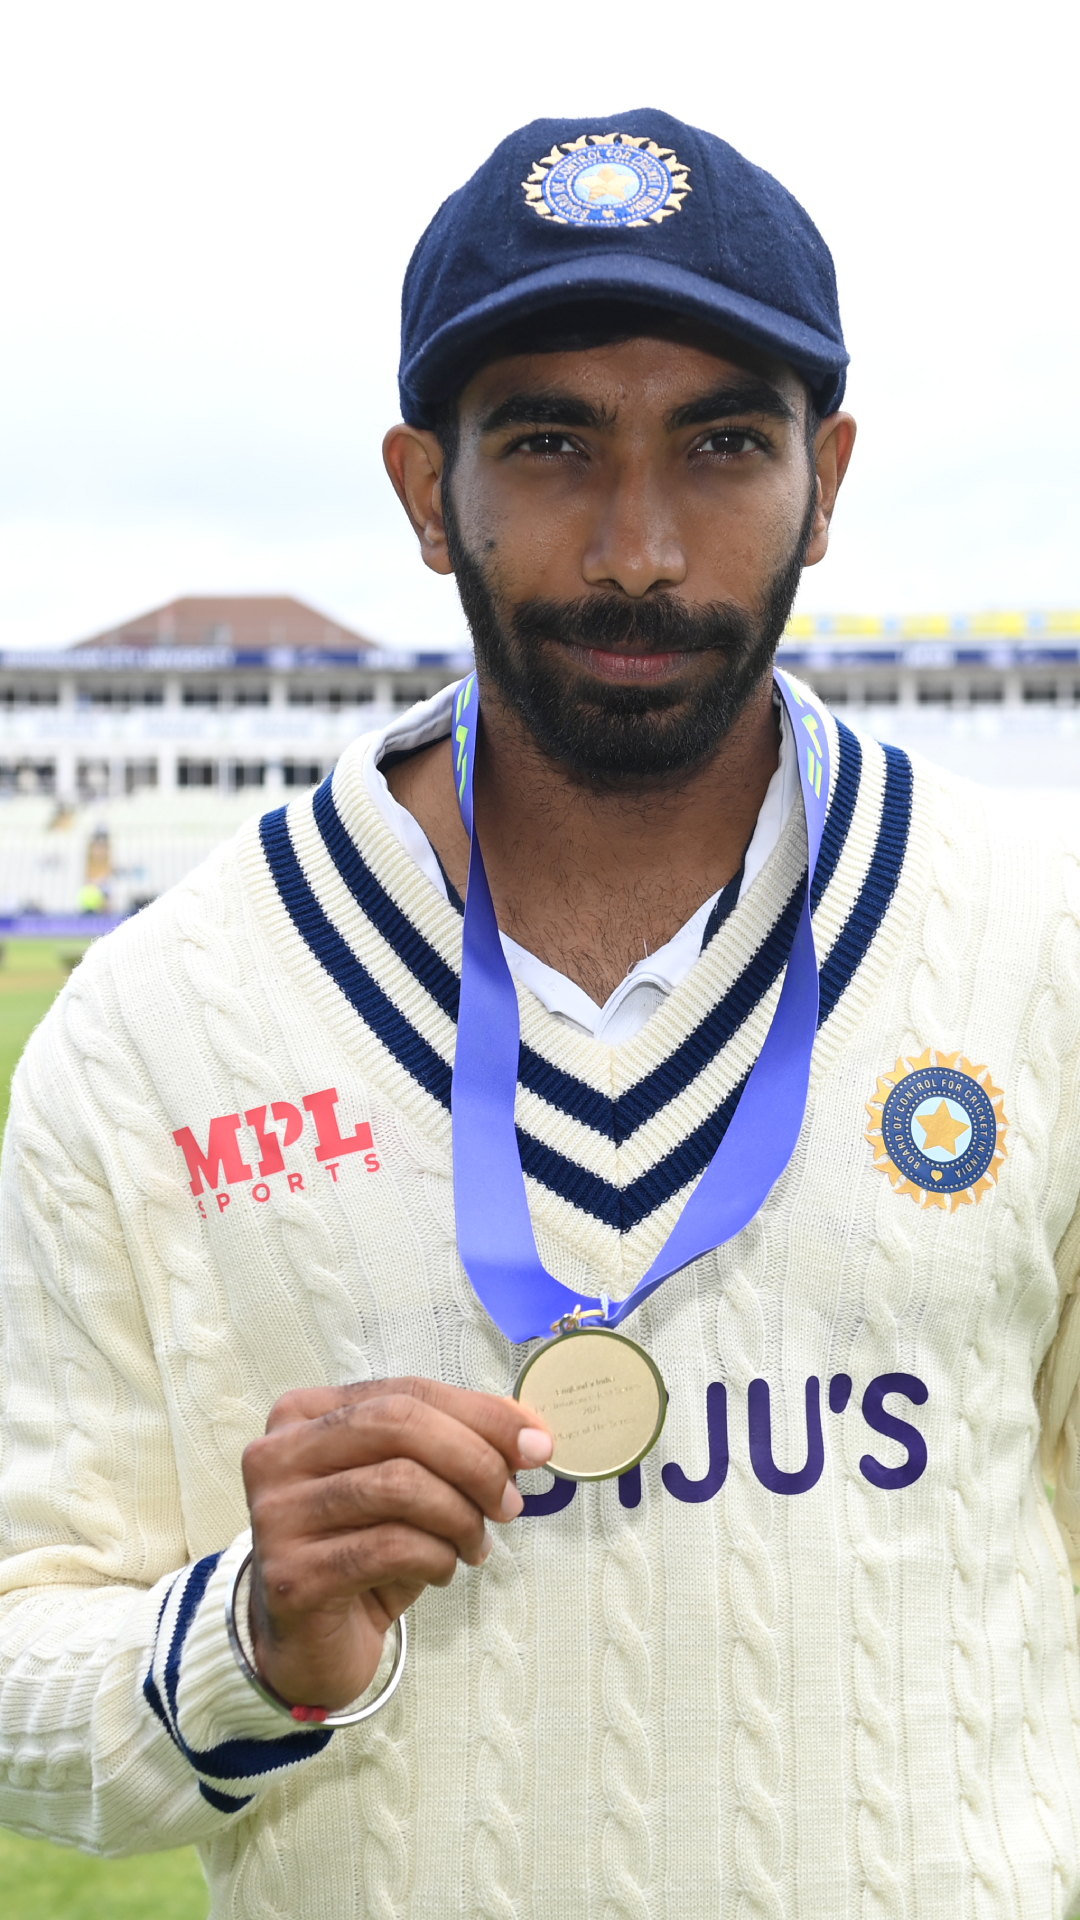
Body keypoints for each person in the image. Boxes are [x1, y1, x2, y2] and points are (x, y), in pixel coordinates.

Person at [2, 107, 1080, 1919]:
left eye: (724, 444)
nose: (641, 547)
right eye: (555, 443)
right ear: (432, 492)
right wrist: (250, 1644)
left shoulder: (1040, 944)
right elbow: (24, 1670)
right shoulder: (162, 1026)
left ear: (828, 475)